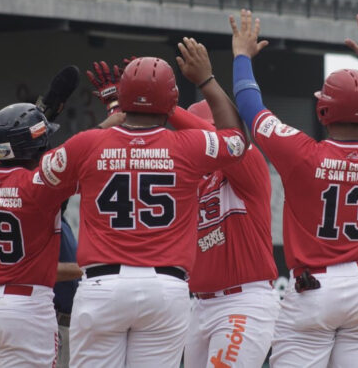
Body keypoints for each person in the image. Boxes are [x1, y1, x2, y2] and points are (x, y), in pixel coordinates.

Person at [38, 38, 247, 368]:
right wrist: (206, 80)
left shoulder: (88, 144)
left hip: (102, 285)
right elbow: (237, 140)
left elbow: (43, 176)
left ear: (121, 98)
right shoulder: (189, 146)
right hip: (164, 288)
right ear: (172, 101)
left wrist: (107, 123)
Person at [228, 9, 358, 367]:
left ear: (324, 109)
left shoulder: (302, 154)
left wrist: (241, 56)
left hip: (315, 287)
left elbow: (250, 107)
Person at [0, 102, 122, 367]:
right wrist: (111, 119)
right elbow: (77, 151)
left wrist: (34, 120)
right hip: (26, 308)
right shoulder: (37, 187)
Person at [166, 44, 278, 367]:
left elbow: (228, 141)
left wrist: (168, 109)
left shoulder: (247, 163)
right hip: (199, 305)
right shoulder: (188, 179)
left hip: (244, 301)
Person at [54, 212, 82, 368]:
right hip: (54, 322)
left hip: (71, 325)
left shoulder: (61, 222)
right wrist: (93, 268)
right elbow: (39, 270)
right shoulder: (44, 223)